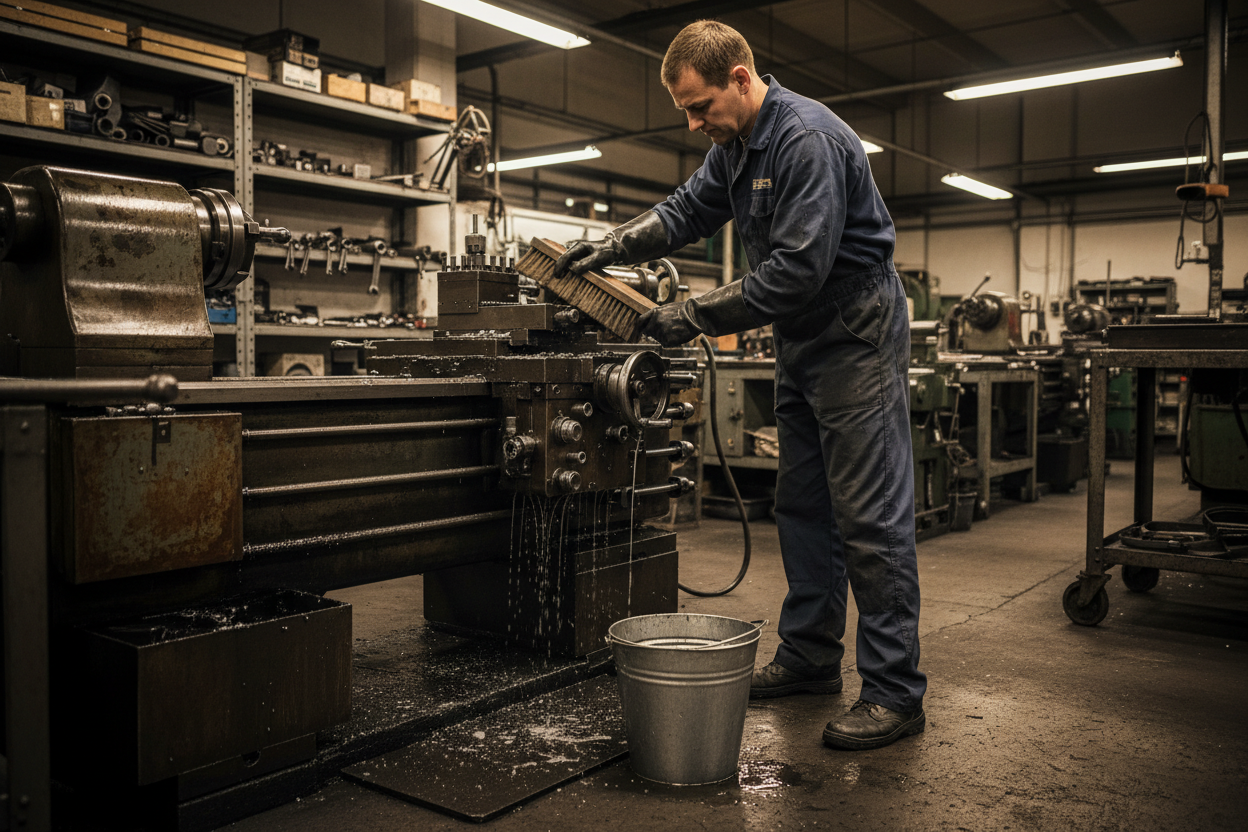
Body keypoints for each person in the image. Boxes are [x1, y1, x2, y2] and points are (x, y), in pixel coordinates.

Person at [555, 20, 926, 751]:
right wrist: (615, 244)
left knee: (869, 515)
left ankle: (894, 691)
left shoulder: (804, 140)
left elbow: (796, 270)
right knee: (803, 504)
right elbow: (688, 210)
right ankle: (812, 656)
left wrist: (687, 315)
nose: (695, 125)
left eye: (700, 107)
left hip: (851, 327)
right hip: (803, 337)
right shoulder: (736, 147)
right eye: (686, 113)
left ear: (741, 76)